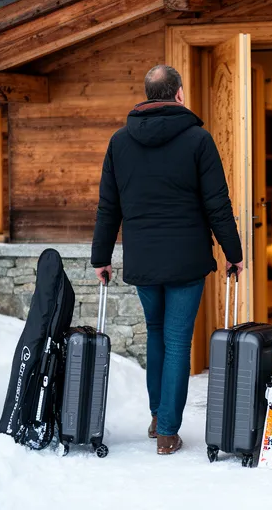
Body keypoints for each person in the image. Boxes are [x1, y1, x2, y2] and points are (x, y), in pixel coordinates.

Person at [91, 64, 243, 456]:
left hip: (143, 258)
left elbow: (109, 207)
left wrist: (101, 257)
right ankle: (168, 432)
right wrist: (234, 253)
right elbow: (217, 205)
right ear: (178, 95)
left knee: (156, 333)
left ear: (146, 95)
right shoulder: (197, 140)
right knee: (177, 340)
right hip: (186, 259)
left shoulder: (120, 142)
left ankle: (159, 416)